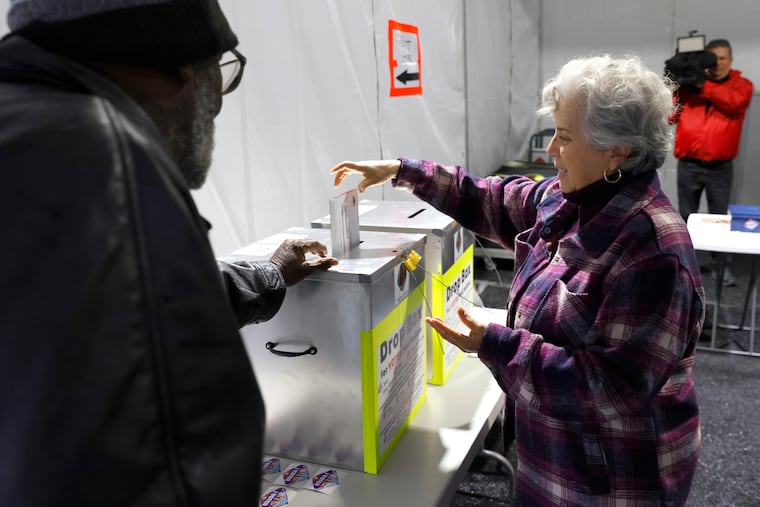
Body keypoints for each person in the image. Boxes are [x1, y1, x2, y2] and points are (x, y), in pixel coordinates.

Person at [0, 1, 337, 505]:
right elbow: (170, 462)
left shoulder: (25, 120)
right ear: (178, 70)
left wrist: (268, 274)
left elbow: (135, 309)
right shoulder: (108, 163)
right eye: (219, 72)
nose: (220, 105)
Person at [332, 54, 705, 506]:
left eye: (564, 138)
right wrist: (401, 171)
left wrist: (495, 344)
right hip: (553, 458)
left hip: (613, 480)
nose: (550, 151)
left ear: (617, 150)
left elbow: (608, 391)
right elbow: (486, 198)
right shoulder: (571, 198)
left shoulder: (653, 253)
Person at [672, 38, 753, 287]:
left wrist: (701, 83)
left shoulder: (742, 86)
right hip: (689, 164)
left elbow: (734, 103)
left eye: (722, 58)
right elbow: (669, 117)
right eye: (713, 58)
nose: (717, 63)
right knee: (686, 217)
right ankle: (685, 267)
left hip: (720, 167)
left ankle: (721, 269)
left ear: (730, 60)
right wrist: (674, 88)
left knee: (720, 219)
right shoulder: (689, 87)